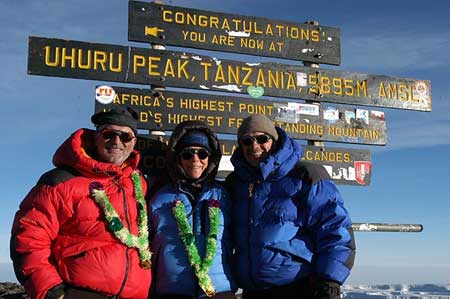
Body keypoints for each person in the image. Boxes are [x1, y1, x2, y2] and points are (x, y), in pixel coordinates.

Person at [10, 107, 152, 299]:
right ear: (96, 136)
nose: (117, 142)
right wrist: (53, 293)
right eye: (109, 134)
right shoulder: (61, 181)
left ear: (134, 142)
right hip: (78, 292)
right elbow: (28, 239)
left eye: (126, 137)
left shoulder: (137, 183)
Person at [225, 115, 355, 299]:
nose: (254, 146)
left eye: (262, 139)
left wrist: (329, 281)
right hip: (252, 291)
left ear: (274, 140)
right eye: (247, 141)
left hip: (298, 287)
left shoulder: (306, 175)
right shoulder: (235, 183)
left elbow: (334, 228)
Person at [148, 120, 236, 299]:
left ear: (210, 158)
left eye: (202, 154)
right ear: (177, 158)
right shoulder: (159, 197)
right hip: (172, 291)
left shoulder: (224, 195)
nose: (195, 160)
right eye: (187, 154)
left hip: (218, 290)